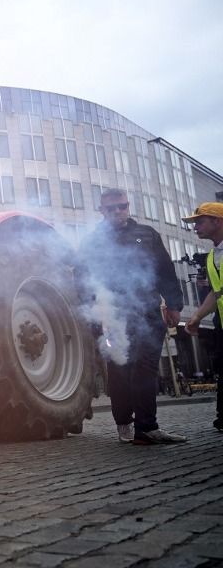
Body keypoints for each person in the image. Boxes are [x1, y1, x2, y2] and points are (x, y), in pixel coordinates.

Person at [79, 188, 187, 445]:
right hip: (113, 315)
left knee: (146, 367)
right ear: (101, 211)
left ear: (129, 206)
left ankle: (147, 427)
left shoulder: (147, 235)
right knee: (119, 369)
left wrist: (174, 305)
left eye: (122, 206)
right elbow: (83, 282)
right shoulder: (92, 241)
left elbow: (164, 269)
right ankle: (124, 423)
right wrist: (93, 318)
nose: (118, 212)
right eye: (111, 208)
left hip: (148, 311)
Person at [180, 202, 223, 432]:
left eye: (200, 222)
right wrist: (196, 316)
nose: (195, 227)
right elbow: (217, 293)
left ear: (217, 221)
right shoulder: (211, 257)